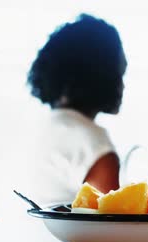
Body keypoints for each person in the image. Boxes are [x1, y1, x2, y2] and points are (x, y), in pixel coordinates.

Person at [24, 14, 126, 204]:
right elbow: (113, 224)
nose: (123, 85)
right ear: (101, 76)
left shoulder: (36, 131)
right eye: (120, 73)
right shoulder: (93, 144)